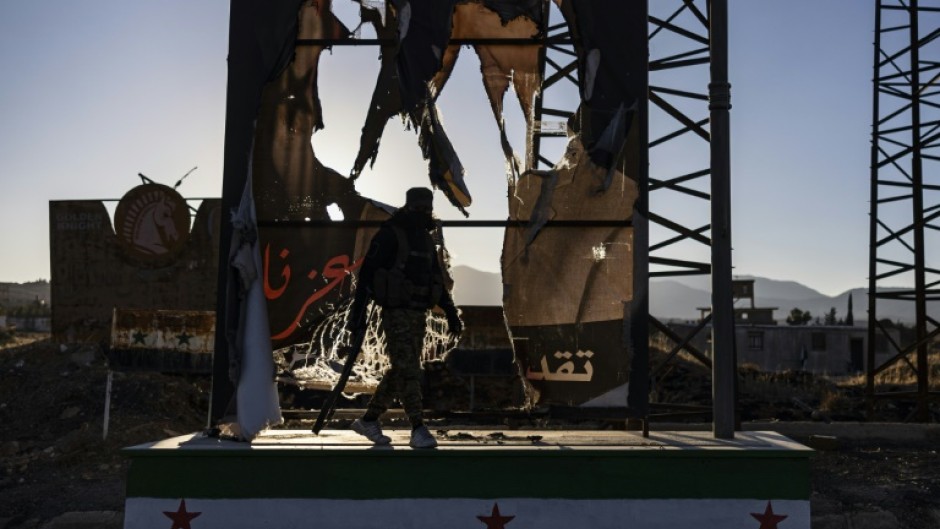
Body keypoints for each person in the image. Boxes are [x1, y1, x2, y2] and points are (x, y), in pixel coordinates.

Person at [347, 187, 462, 448]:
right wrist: (357, 315)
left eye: (427, 207)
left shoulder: (424, 240)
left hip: (417, 314)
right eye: (419, 207)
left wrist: (452, 313)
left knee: (403, 368)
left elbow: (437, 281)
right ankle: (418, 427)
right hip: (396, 312)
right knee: (409, 369)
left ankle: (369, 420)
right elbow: (366, 276)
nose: (424, 212)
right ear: (409, 206)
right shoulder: (390, 235)